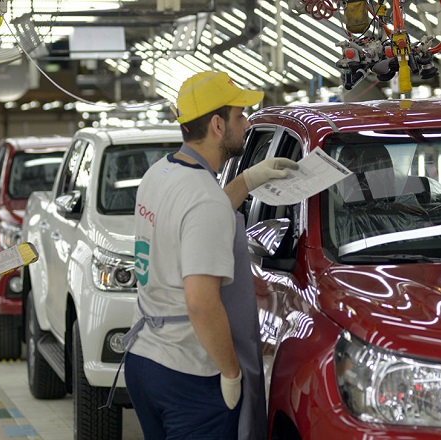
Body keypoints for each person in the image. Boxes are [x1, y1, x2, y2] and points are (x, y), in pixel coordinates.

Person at [123, 71, 299, 439]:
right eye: (240, 115)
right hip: (188, 372)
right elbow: (201, 303)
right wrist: (232, 372)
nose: (247, 123)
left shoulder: (159, 174)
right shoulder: (203, 198)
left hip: (144, 359)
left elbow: (195, 222)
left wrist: (248, 180)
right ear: (218, 125)